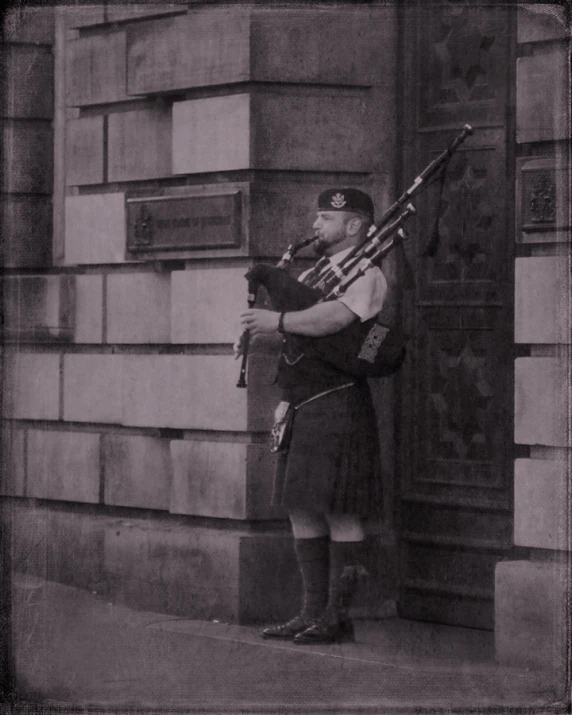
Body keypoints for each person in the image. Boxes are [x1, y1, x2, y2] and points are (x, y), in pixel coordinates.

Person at [235, 188, 387, 645]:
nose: (316, 226)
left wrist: (276, 322)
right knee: (302, 505)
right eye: (318, 217)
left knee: (338, 507)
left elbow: (331, 321)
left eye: (326, 218)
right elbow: (301, 329)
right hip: (303, 399)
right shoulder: (318, 271)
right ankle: (309, 613)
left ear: (354, 226)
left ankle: (338, 617)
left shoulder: (369, 273)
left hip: (339, 400)